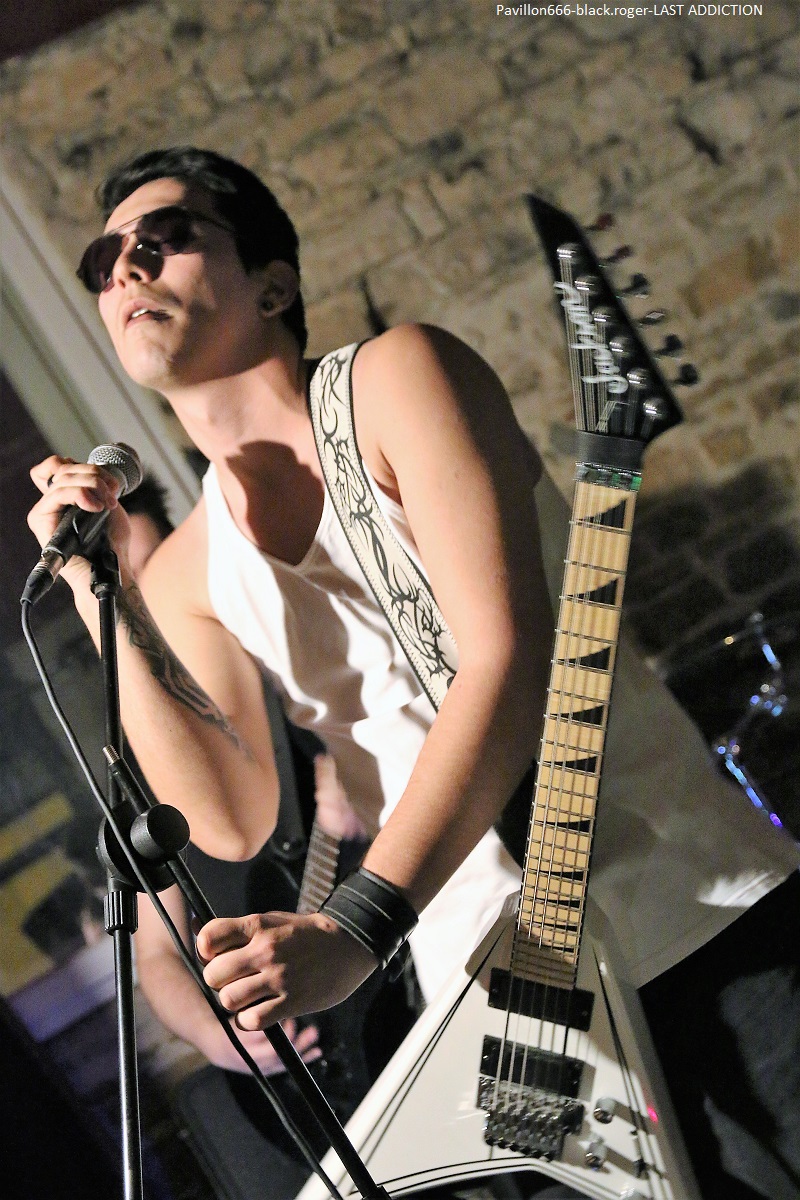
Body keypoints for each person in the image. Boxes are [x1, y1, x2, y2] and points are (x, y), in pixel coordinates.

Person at [26, 146, 799, 1198]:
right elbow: (223, 820)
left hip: (681, 907)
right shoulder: (188, 569)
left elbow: (503, 658)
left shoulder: (395, 379)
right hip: (503, 998)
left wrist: (354, 926)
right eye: (101, 260)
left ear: (273, 285)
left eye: (164, 238)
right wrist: (96, 587)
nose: (124, 269)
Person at [121, 476, 420, 1199]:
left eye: (150, 573)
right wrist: (216, 1035)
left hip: (401, 979)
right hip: (305, 1072)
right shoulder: (133, 768)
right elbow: (155, 955)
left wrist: (363, 784)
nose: (144, 605)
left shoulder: (283, 661)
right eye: (123, 594)